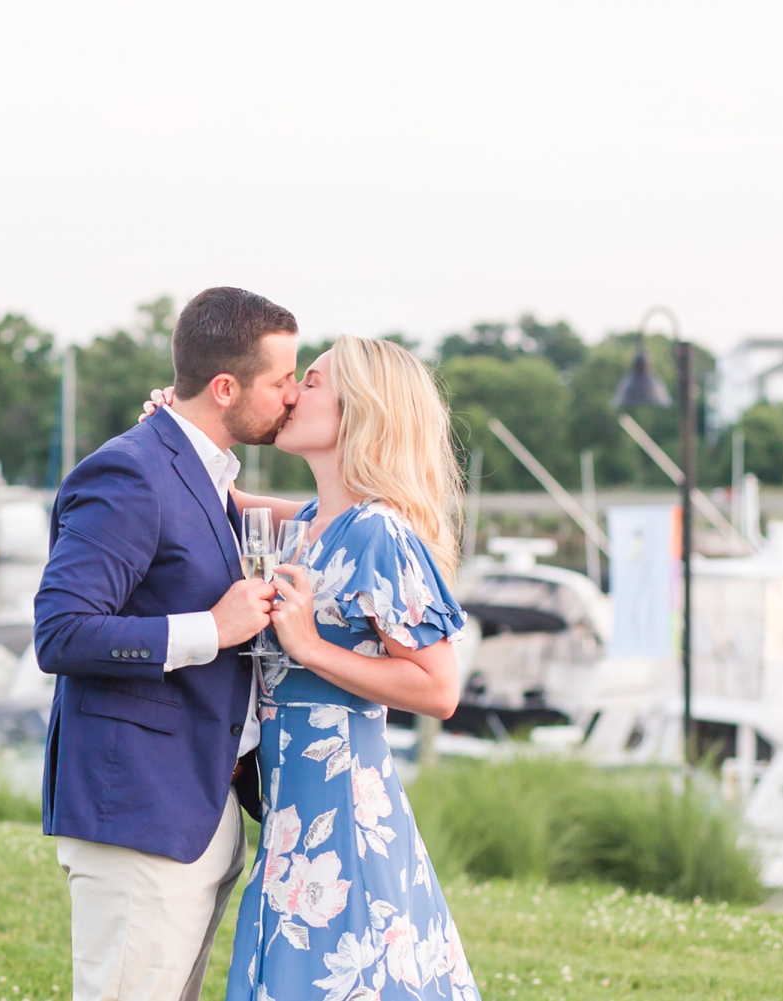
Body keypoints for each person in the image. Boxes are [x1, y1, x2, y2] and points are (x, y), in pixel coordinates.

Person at [145, 336, 478, 1001]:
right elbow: (228, 501)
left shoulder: (379, 532)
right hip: (291, 810)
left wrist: (313, 648)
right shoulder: (307, 526)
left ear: (362, 410)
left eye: (314, 381)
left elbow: (440, 688)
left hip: (345, 812)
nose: (292, 391)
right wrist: (178, 425)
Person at [34, 286, 301, 1001]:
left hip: (197, 809)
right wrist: (213, 629)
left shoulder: (208, 476)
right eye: (280, 381)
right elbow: (61, 631)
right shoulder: (130, 472)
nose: (291, 397)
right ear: (224, 387)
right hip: (139, 817)